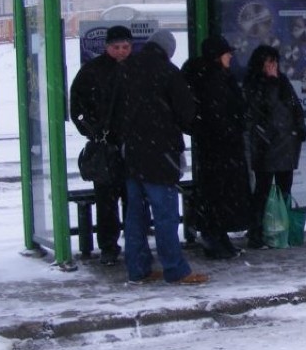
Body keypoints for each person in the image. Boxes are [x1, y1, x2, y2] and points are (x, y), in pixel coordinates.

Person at [117, 29, 208, 285]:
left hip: (133, 154)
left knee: (135, 216)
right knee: (165, 215)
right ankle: (175, 269)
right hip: (161, 154)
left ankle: (138, 269)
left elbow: (114, 109)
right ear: (167, 51)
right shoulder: (169, 72)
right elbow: (186, 114)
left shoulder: (126, 68)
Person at [182, 35, 251, 259]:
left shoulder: (216, 77)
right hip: (219, 147)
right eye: (226, 53)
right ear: (216, 56)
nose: (230, 56)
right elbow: (220, 113)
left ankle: (219, 237)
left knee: (219, 195)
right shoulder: (211, 80)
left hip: (220, 147)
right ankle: (215, 238)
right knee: (217, 194)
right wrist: (231, 127)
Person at [69, 25, 132, 265]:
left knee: (132, 197)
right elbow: (77, 108)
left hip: (130, 144)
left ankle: (132, 241)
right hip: (107, 145)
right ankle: (109, 246)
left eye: (125, 47)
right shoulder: (92, 71)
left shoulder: (133, 69)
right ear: (107, 47)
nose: (121, 52)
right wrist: (94, 131)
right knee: (108, 199)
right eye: (116, 47)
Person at [243, 45, 306, 248]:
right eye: (268, 62)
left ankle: (282, 229)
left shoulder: (283, 81)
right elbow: (266, 109)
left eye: (275, 62)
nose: (273, 66)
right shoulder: (255, 83)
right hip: (266, 145)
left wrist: (299, 128)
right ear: (260, 64)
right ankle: (257, 232)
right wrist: (271, 82)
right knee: (262, 191)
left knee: (284, 190)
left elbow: (295, 106)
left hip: (286, 145)